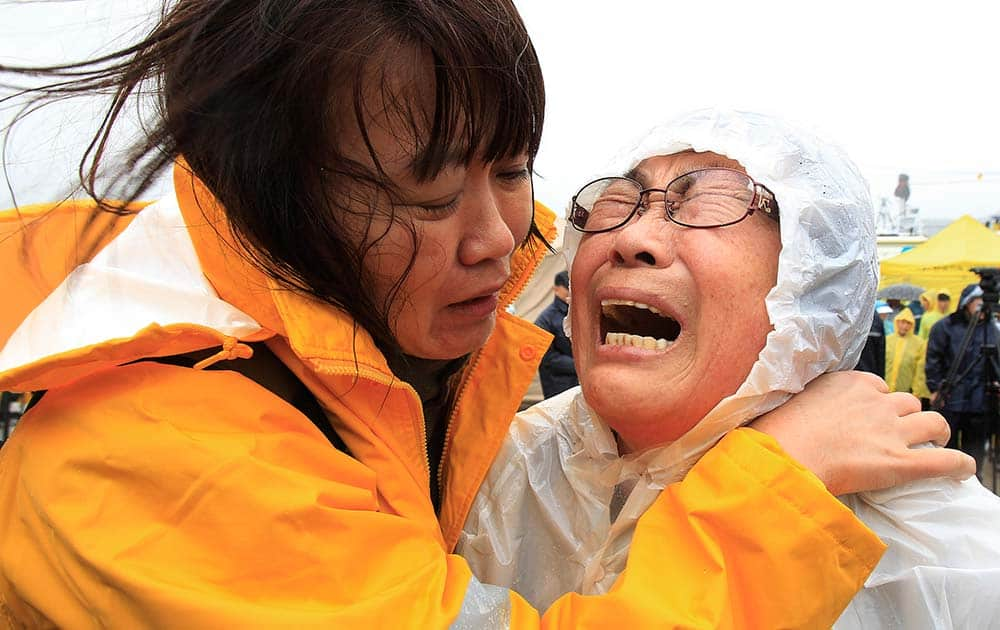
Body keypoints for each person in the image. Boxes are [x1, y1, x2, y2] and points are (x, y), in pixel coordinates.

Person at [0, 6, 972, 627]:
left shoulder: (940, 546)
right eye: (425, 195)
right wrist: (779, 497)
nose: (502, 240)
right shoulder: (168, 453)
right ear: (269, 206)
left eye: (512, 169)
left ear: (817, 291)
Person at [459, 110, 994, 629]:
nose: (630, 238)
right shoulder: (479, 466)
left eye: (706, 202)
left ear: (810, 282)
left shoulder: (942, 549)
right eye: (617, 203)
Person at [926, 283, 993, 477]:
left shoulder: (990, 329)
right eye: (978, 302)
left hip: (979, 402)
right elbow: (934, 360)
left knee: (975, 452)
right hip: (951, 397)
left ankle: (975, 481)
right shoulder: (945, 327)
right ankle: (949, 481)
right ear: (967, 303)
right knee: (949, 448)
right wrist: (935, 387)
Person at [533, 270, 579, 398]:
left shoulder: (577, 312)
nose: (571, 292)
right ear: (556, 289)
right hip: (557, 384)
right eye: (567, 288)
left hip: (578, 383)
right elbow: (547, 358)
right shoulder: (546, 319)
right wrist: (579, 365)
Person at [884, 308, 930, 399]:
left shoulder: (919, 343)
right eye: (902, 322)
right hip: (884, 389)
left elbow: (920, 370)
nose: (905, 326)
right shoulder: (887, 340)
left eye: (908, 323)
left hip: (905, 393)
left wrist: (916, 392)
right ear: (896, 322)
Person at [855, 308, 887, 377]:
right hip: (869, 375)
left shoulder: (841, 314)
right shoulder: (876, 319)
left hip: (843, 377)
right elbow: (880, 356)